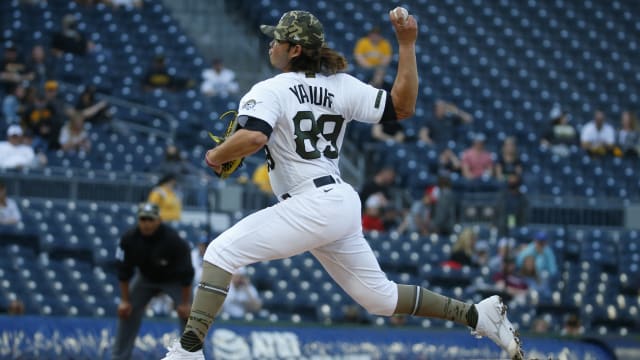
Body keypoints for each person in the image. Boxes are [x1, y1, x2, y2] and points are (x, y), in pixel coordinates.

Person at [162, 9, 522, 360]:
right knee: (379, 298)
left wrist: (215, 155)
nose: (271, 44)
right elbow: (403, 106)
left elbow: (254, 137)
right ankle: (477, 315)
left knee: (221, 252)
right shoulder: (341, 86)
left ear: (295, 49)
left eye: (278, 40)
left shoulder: (270, 89)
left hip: (311, 201)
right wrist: (407, 45)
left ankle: (188, 350)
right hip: (337, 201)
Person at [112, 203, 194, 360]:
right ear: (138, 220)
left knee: (190, 315)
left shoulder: (172, 239)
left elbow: (187, 273)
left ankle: (191, 357)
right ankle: (119, 357)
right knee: (126, 311)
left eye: (150, 219)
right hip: (146, 278)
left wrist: (184, 303)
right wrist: (124, 300)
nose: (146, 223)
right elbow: (123, 271)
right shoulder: (129, 239)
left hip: (174, 279)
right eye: (143, 219)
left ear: (159, 220)